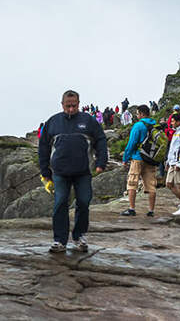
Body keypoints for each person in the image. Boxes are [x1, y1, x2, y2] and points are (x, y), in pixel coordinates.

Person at [39, 90, 107, 253]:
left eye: (74, 106)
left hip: (82, 171)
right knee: (60, 203)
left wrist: (101, 161)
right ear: (62, 104)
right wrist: (45, 171)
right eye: (68, 106)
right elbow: (43, 147)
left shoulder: (88, 121)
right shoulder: (53, 122)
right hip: (60, 172)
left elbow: (100, 139)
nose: (71, 109)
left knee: (83, 202)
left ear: (79, 103)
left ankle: (79, 236)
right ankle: (59, 240)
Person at [120, 105, 158, 217]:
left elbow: (131, 143)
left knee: (132, 182)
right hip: (151, 158)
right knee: (151, 185)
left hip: (138, 157)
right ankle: (151, 211)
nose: (137, 116)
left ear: (141, 114)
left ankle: (132, 209)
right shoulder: (155, 125)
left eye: (137, 114)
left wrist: (125, 158)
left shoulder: (138, 125)